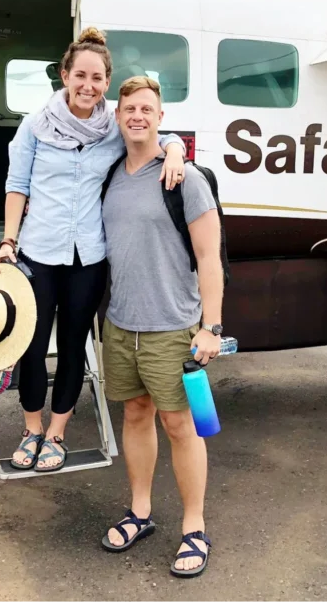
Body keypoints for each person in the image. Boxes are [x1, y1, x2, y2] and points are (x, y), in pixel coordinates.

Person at [0, 29, 188, 473]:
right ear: (64, 75)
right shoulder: (34, 125)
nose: (88, 85)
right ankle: (31, 428)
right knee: (33, 345)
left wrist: (175, 150)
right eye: (79, 75)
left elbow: (157, 129)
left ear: (106, 82)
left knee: (75, 343)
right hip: (39, 252)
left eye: (97, 78)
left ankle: (57, 432)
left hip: (89, 258)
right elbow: (16, 186)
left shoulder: (113, 129)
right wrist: (7, 241)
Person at [98, 75, 224, 578]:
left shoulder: (185, 179)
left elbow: (209, 257)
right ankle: (141, 512)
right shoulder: (110, 175)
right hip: (120, 322)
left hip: (172, 326)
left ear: (160, 117)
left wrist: (210, 326)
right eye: (129, 108)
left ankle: (194, 528)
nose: (137, 116)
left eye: (147, 109)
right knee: (135, 414)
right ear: (118, 115)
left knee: (181, 425)